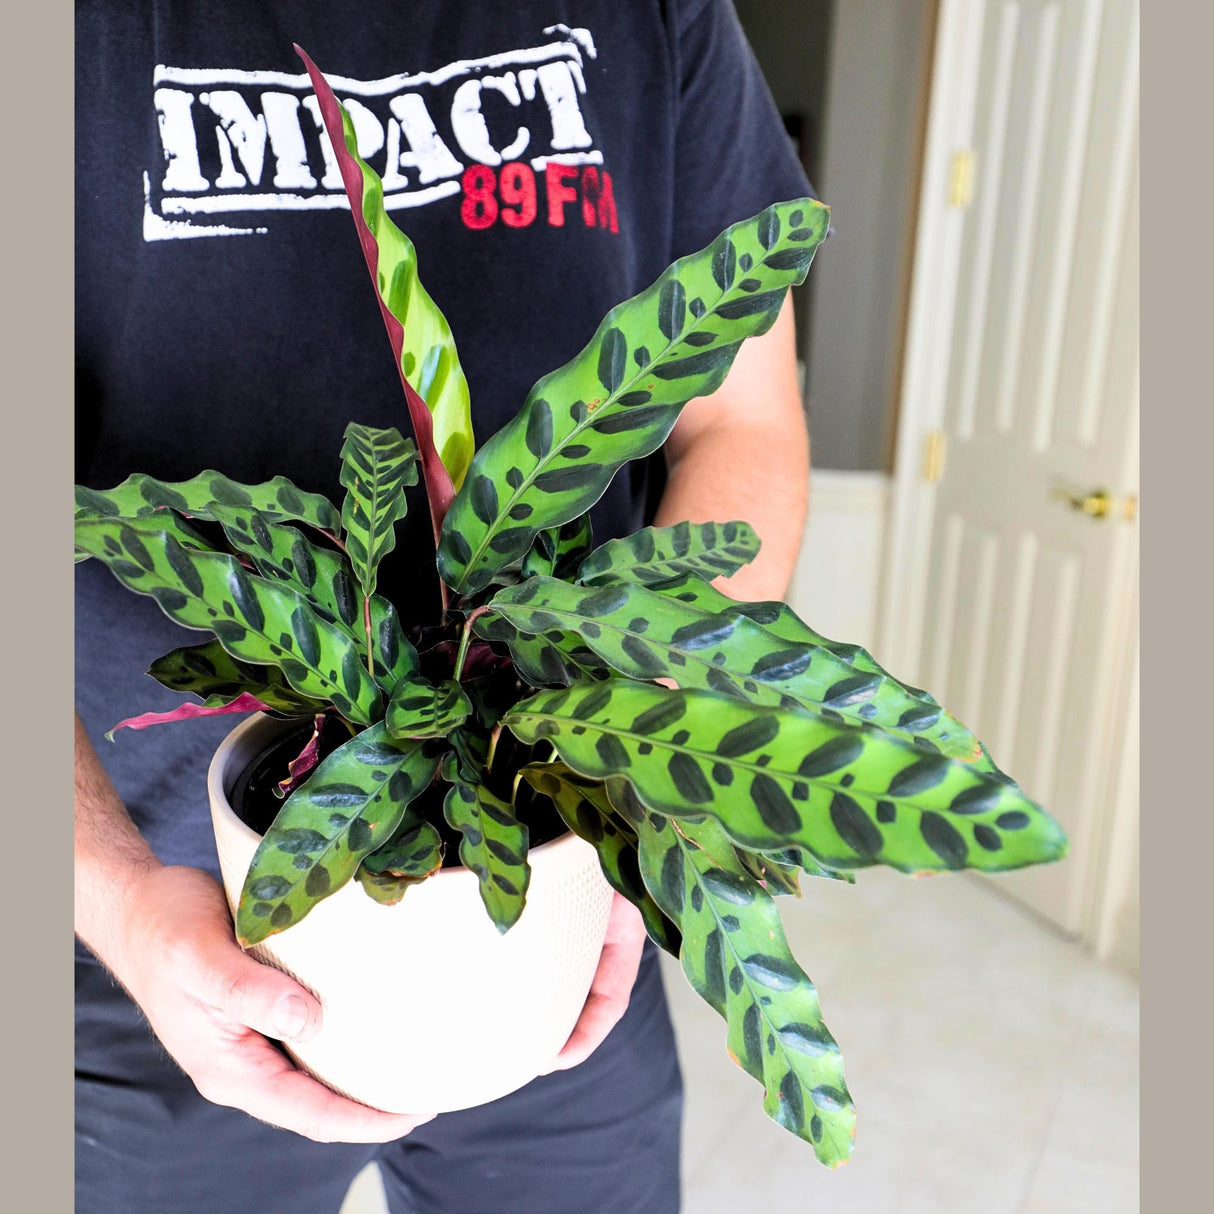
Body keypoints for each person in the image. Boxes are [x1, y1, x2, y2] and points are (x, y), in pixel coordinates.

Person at [75, 2, 816, 1210]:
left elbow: (741, 421)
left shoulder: (659, 17)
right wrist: (109, 894)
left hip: (565, 893)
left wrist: (643, 772)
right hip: (143, 928)